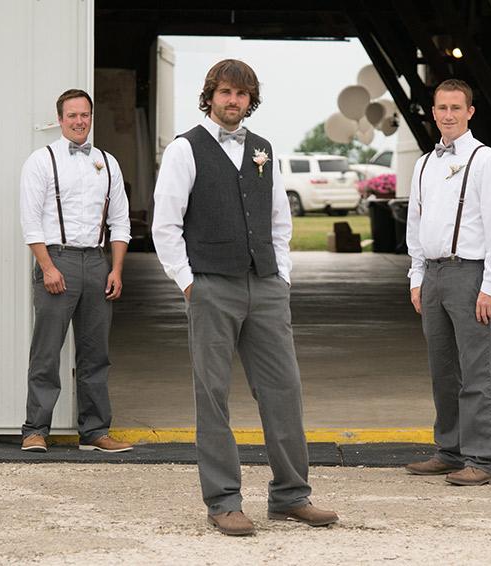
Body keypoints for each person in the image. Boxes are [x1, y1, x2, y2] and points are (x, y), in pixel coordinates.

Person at [152, 59, 337, 536]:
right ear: (210, 95)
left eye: (242, 94)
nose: (233, 101)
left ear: (251, 100)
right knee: (212, 396)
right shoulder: (185, 149)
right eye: (225, 92)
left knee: (284, 390)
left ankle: (292, 496)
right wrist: (189, 283)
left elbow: (279, 221)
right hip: (212, 286)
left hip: (267, 286)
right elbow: (165, 225)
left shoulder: (263, 149)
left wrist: (283, 278)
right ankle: (223, 501)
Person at [404, 79, 491, 487]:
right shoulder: (423, 163)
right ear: (432, 113)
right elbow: (415, 225)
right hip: (432, 275)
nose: (448, 114)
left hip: (469, 274)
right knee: (443, 371)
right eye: (441, 108)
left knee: (476, 371)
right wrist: (416, 276)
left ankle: (481, 459)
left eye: (456, 107)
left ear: (470, 112)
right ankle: (449, 452)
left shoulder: (486, 160)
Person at [19, 89, 133, 454]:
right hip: (58, 259)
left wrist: (115, 269)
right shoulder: (42, 160)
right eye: (72, 115)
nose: (80, 121)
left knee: (95, 352)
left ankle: (95, 431)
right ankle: (35, 429)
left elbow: (119, 221)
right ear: (60, 119)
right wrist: (47, 266)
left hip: (97, 262)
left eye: (85, 115)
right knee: (47, 351)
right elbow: (30, 220)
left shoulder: (107, 162)